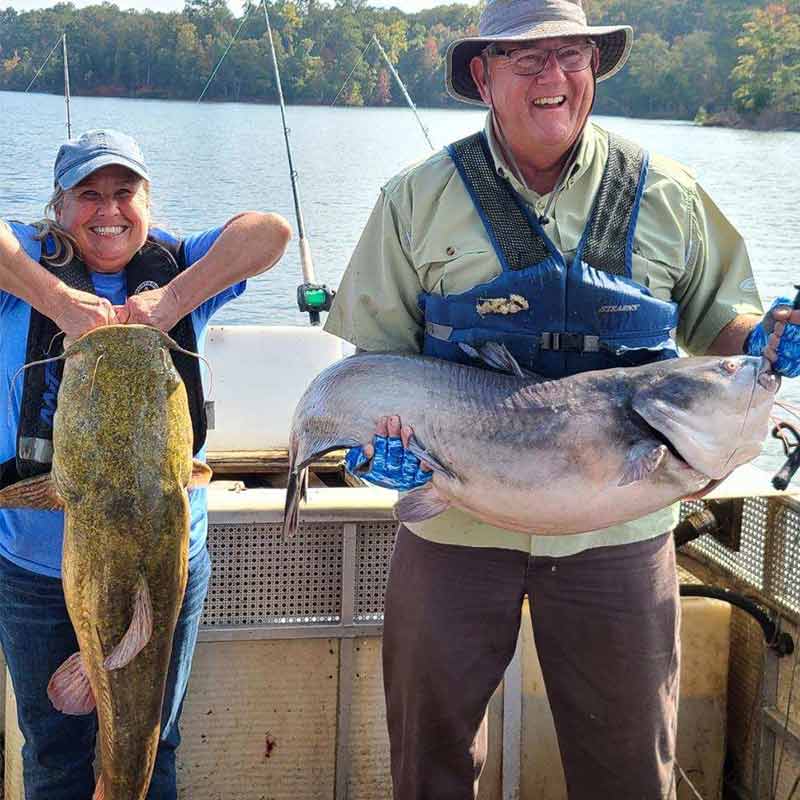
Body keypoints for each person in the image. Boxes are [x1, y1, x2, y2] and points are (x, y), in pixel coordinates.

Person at [324, 1, 800, 797]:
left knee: (626, 766)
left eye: (572, 55)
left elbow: (724, 318)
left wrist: (766, 341)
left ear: (594, 67)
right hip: (453, 525)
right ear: (482, 76)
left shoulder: (670, 193)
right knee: (427, 758)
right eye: (527, 59)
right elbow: (374, 358)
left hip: (621, 531)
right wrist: (376, 452)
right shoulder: (415, 198)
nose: (555, 77)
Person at [0, 128, 291, 799]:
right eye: (89, 194)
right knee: (54, 753)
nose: (109, 209)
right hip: (38, 572)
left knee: (151, 742)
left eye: (125, 192)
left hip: (164, 571)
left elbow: (269, 233)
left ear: (148, 204)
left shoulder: (180, 266)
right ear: (58, 207)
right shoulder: (23, 273)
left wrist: (175, 302)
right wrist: (60, 304)